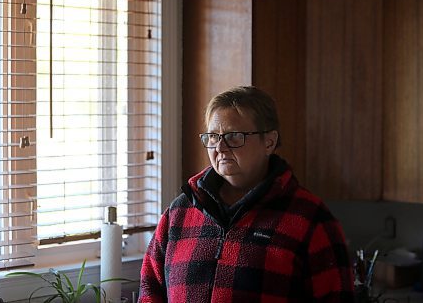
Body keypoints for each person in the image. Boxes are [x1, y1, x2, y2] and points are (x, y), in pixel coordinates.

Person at [138, 86, 355, 302]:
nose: (220, 148)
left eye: (234, 136)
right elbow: (150, 290)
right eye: (213, 137)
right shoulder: (180, 212)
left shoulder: (309, 218)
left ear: (269, 142)